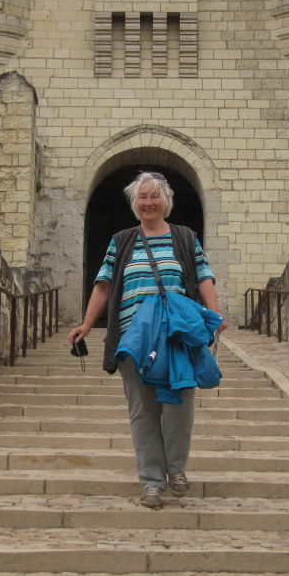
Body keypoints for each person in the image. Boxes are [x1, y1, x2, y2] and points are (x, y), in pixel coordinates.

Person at [68, 171, 227, 509]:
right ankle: (152, 482)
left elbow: (203, 276)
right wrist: (86, 324)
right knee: (143, 411)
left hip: (177, 337)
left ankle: (176, 469)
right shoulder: (122, 241)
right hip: (134, 339)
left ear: (165, 201)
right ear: (134, 203)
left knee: (179, 406)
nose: (148, 202)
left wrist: (215, 316)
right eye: (142, 197)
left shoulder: (184, 237)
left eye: (154, 196)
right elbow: (104, 284)